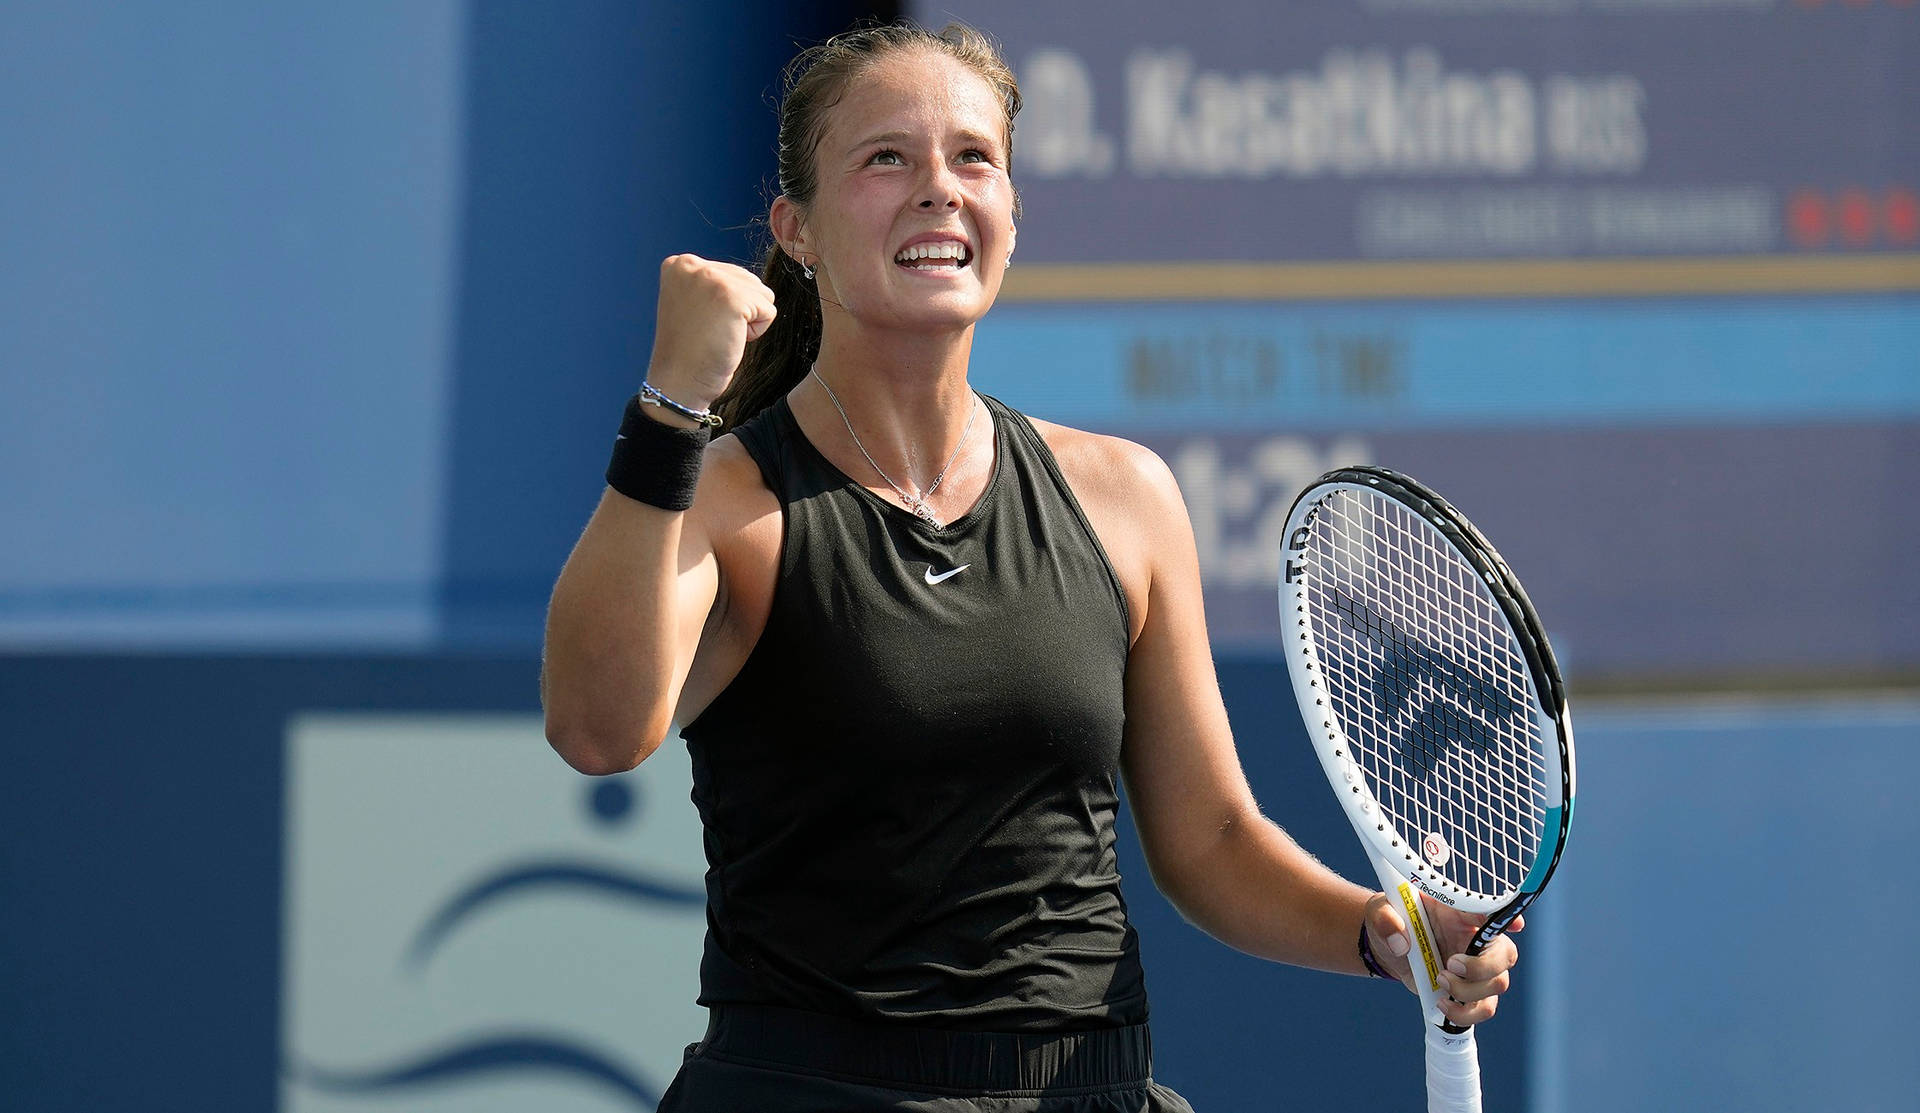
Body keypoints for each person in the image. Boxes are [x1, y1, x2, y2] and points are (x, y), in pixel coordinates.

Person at [541, 21, 1520, 1112]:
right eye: (884, 159)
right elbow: (595, 728)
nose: (938, 191)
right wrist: (671, 407)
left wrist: (1380, 934)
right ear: (797, 230)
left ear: (1012, 214)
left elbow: (1209, 841)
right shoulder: (731, 496)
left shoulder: (1126, 496)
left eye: (973, 159)